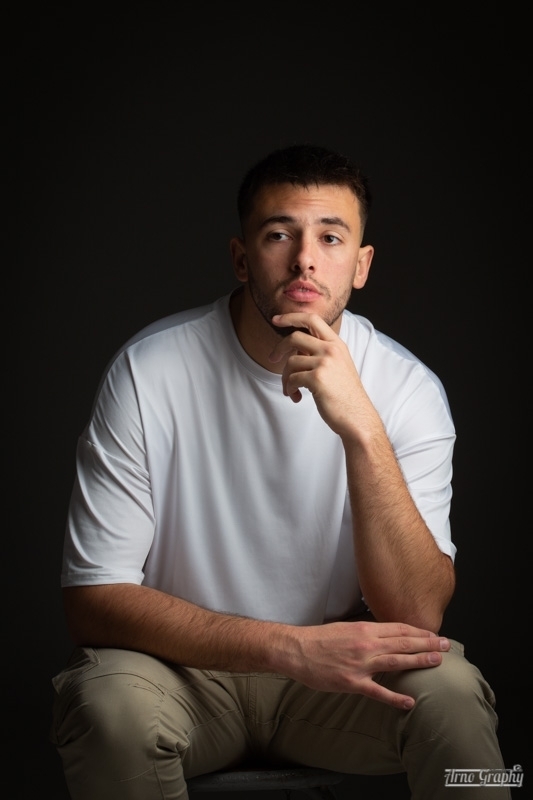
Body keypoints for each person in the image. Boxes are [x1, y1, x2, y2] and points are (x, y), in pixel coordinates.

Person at [51, 144, 510, 799]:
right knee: (108, 708)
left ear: (361, 265)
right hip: (178, 673)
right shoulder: (148, 371)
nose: (304, 259)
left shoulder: (407, 388)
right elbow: (93, 599)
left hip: (337, 684)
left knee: (455, 696)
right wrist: (288, 648)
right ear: (241, 258)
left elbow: (416, 614)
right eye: (278, 234)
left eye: (330, 237)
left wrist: (362, 429)